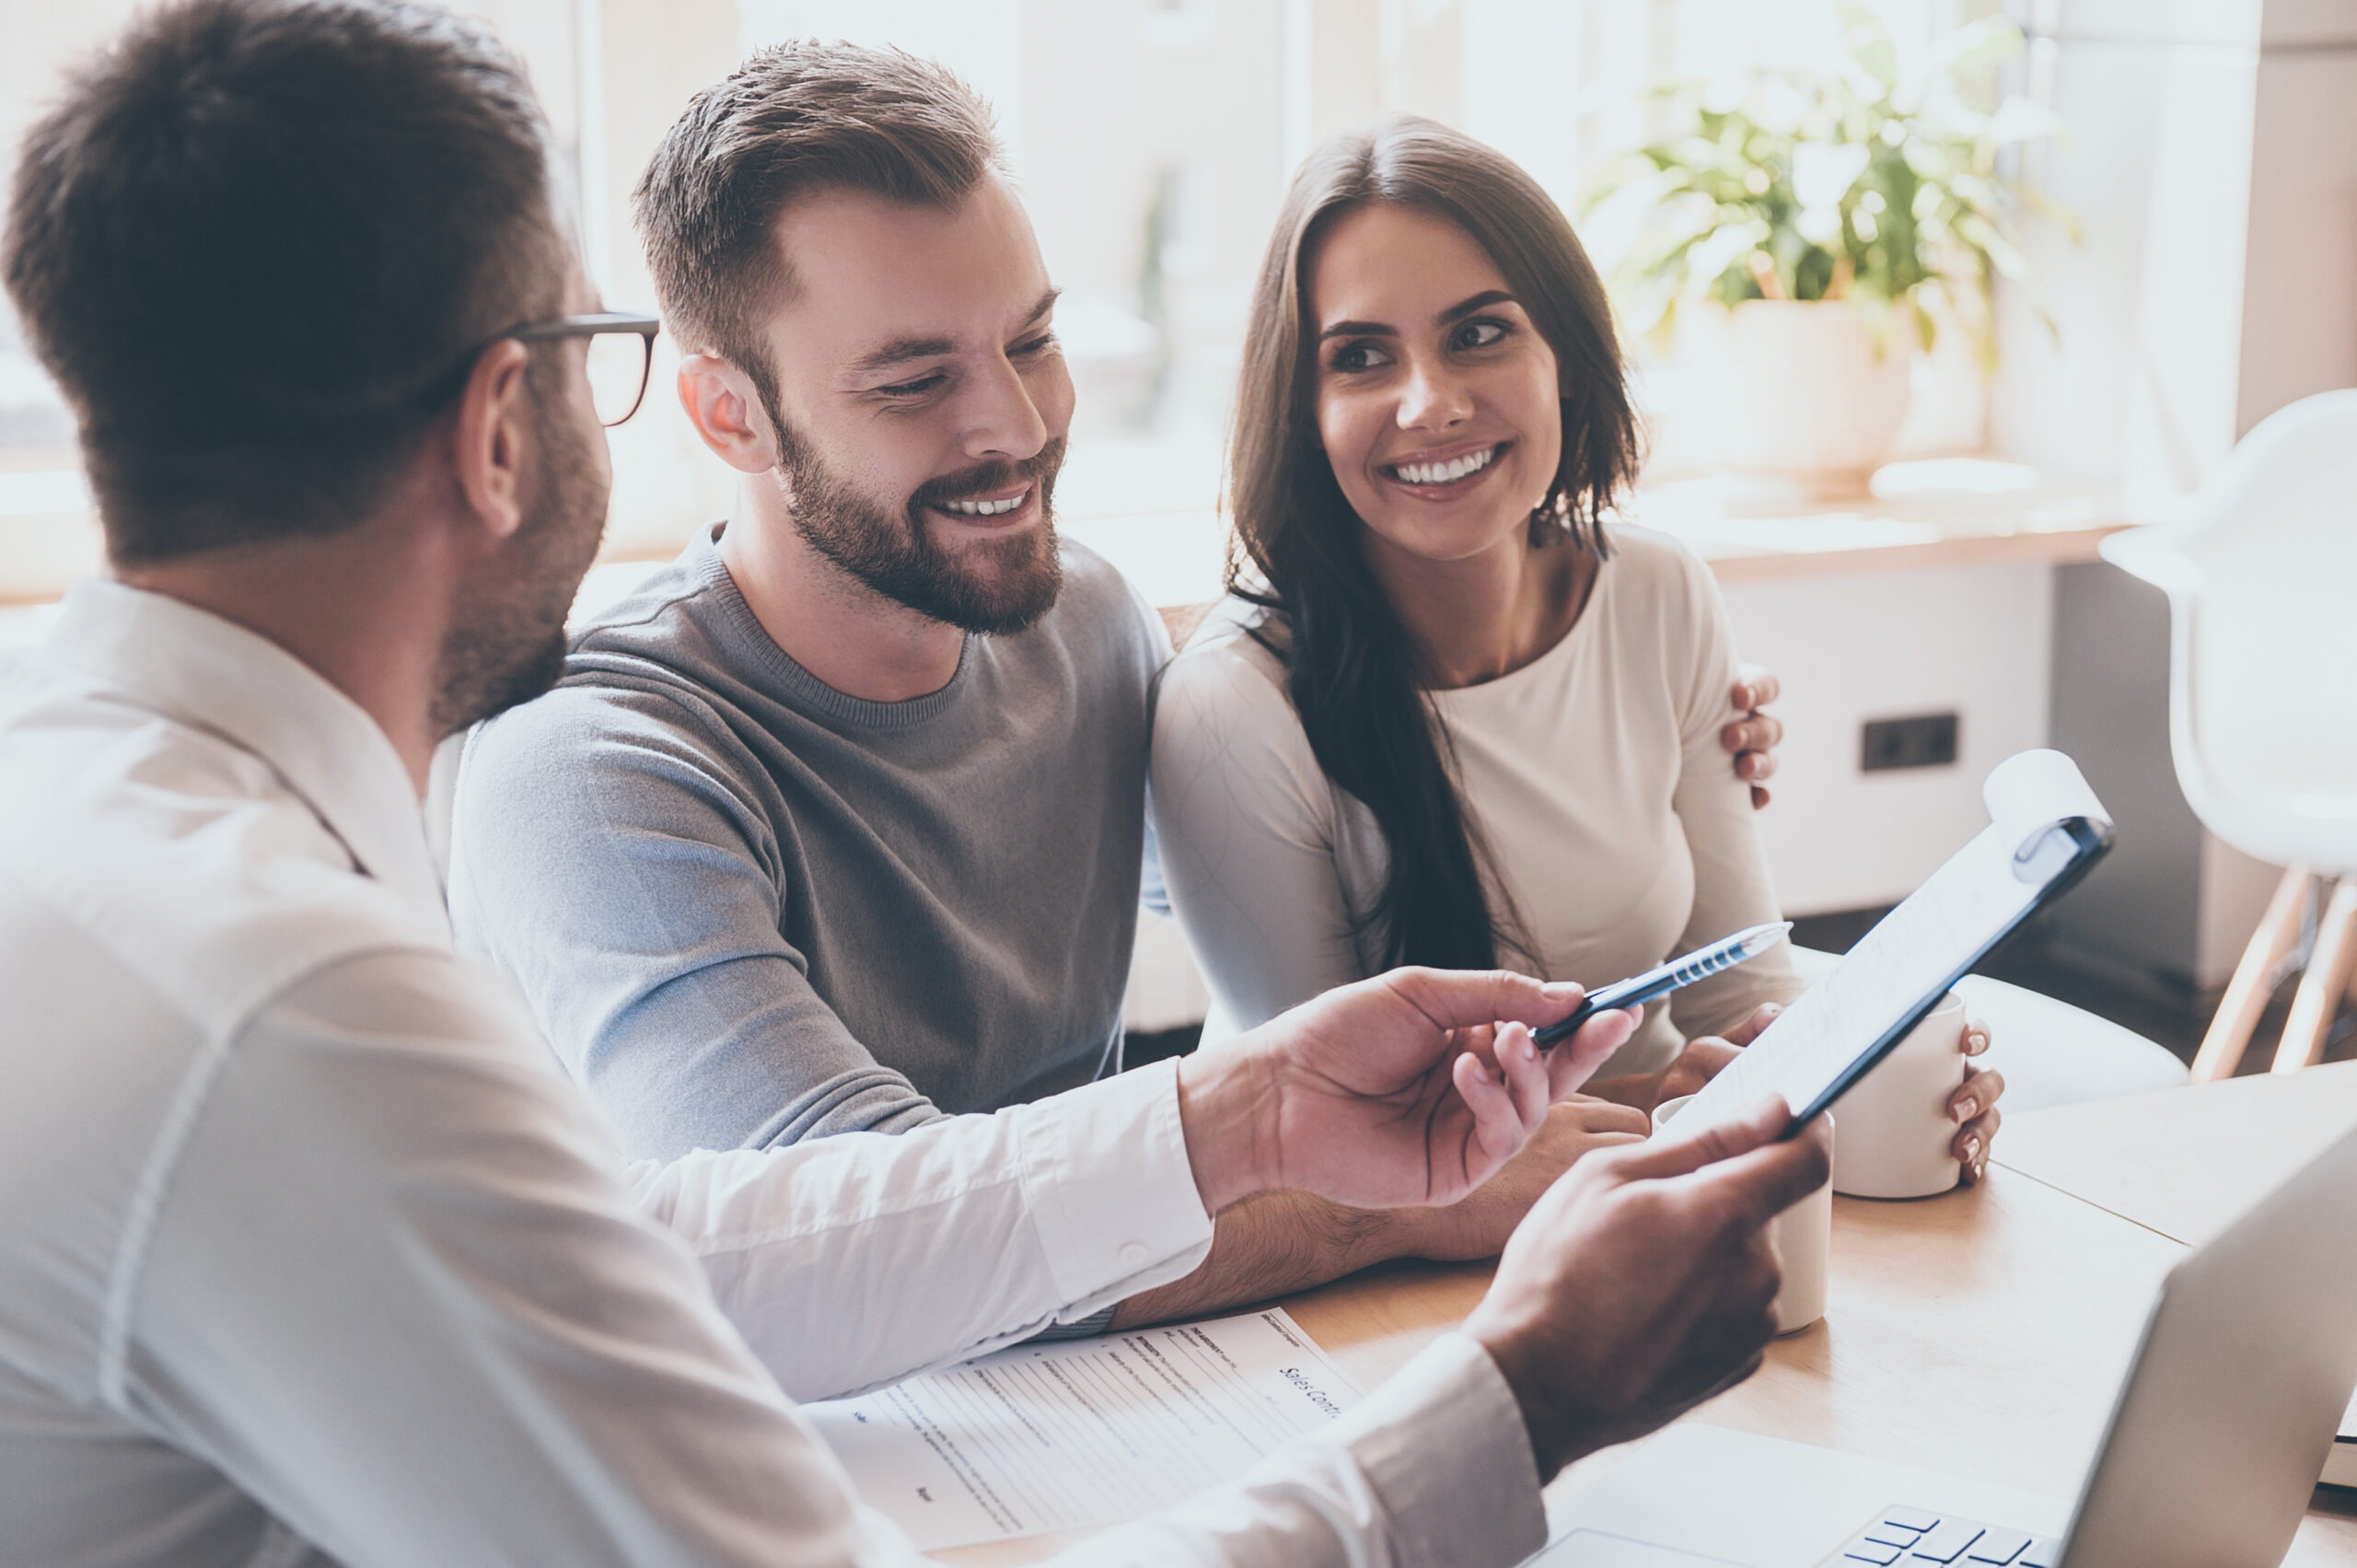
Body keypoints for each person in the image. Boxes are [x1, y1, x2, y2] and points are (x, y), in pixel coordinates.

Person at [0, 3, 1833, 1562]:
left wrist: (1245, 1113)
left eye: (1031, 340)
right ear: (502, 422)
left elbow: (691, 1244)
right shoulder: (290, 1000)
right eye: (594, 357)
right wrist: (1515, 1398)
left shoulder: (121, 847)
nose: (1012, 422)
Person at [447, 41, 1782, 1328]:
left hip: (1114, 1392)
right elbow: (860, 1249)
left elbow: (1279, 834)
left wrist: (1655, 722)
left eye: (1030, 342)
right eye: (916, 380)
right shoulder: (594, 771)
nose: (1017, 431)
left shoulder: (1077, 621)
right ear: (730, 414)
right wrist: (1407, 1203)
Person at [1150, 117, 2003, 1179]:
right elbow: (1339, 1146)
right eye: (1361, 357)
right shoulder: (1232, 708)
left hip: (1649, 1188)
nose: (1431, 403)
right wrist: (1677, 1104)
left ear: (1564, 356)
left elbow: (1742, 989)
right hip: (1356, 1260)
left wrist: (1861, 1072)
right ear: (1301, 408)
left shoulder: (1654, 592)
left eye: (1478, 333)